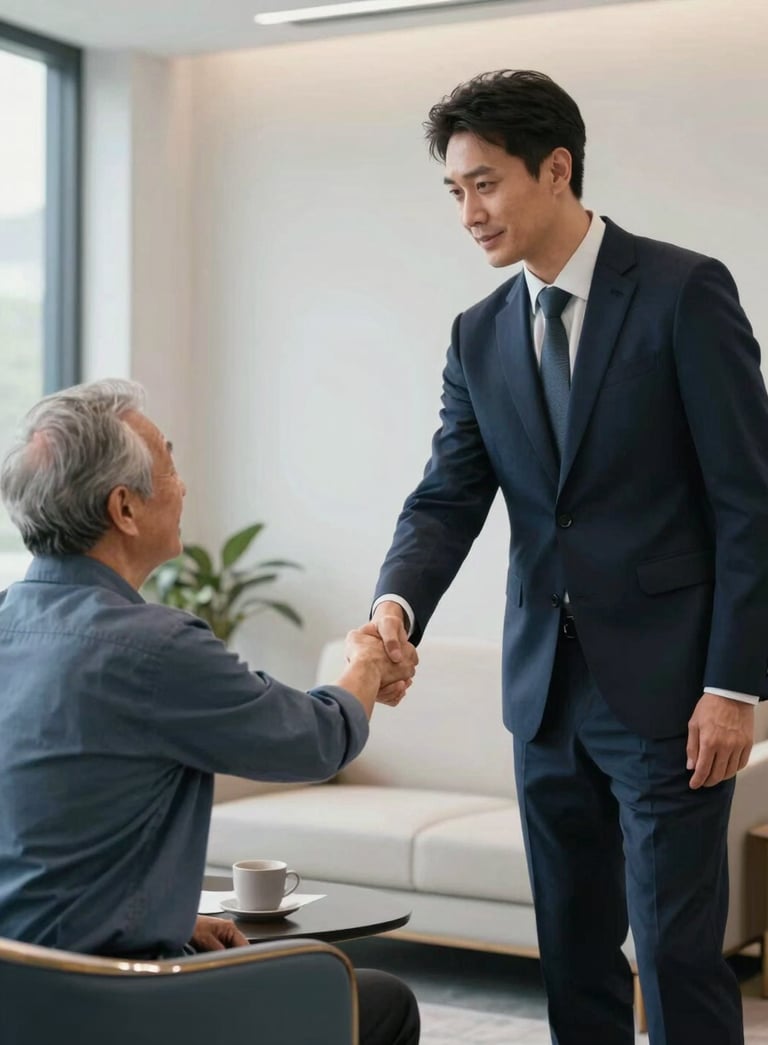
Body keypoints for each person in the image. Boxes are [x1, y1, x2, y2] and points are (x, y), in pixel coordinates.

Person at [367, 70, 768, 1045]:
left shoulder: (683, 291)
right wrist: (395, 604)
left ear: (557, 169)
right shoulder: (480, 335)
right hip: (543, 694)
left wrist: (734, 686)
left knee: (674, 952)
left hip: (672, 693)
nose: (469, 212)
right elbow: (447, 496)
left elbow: (749, 503)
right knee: (573, 949)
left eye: (487, 183)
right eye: (455, 191)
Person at [0, 378, 420, 1045]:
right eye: (167, 462)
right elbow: (317, 739)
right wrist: (367, 662)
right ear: (124, 508)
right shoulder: (152, 648)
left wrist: (162, 915)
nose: (183, 484)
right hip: (113, 1008)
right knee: (375, 999)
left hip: (22, 996)